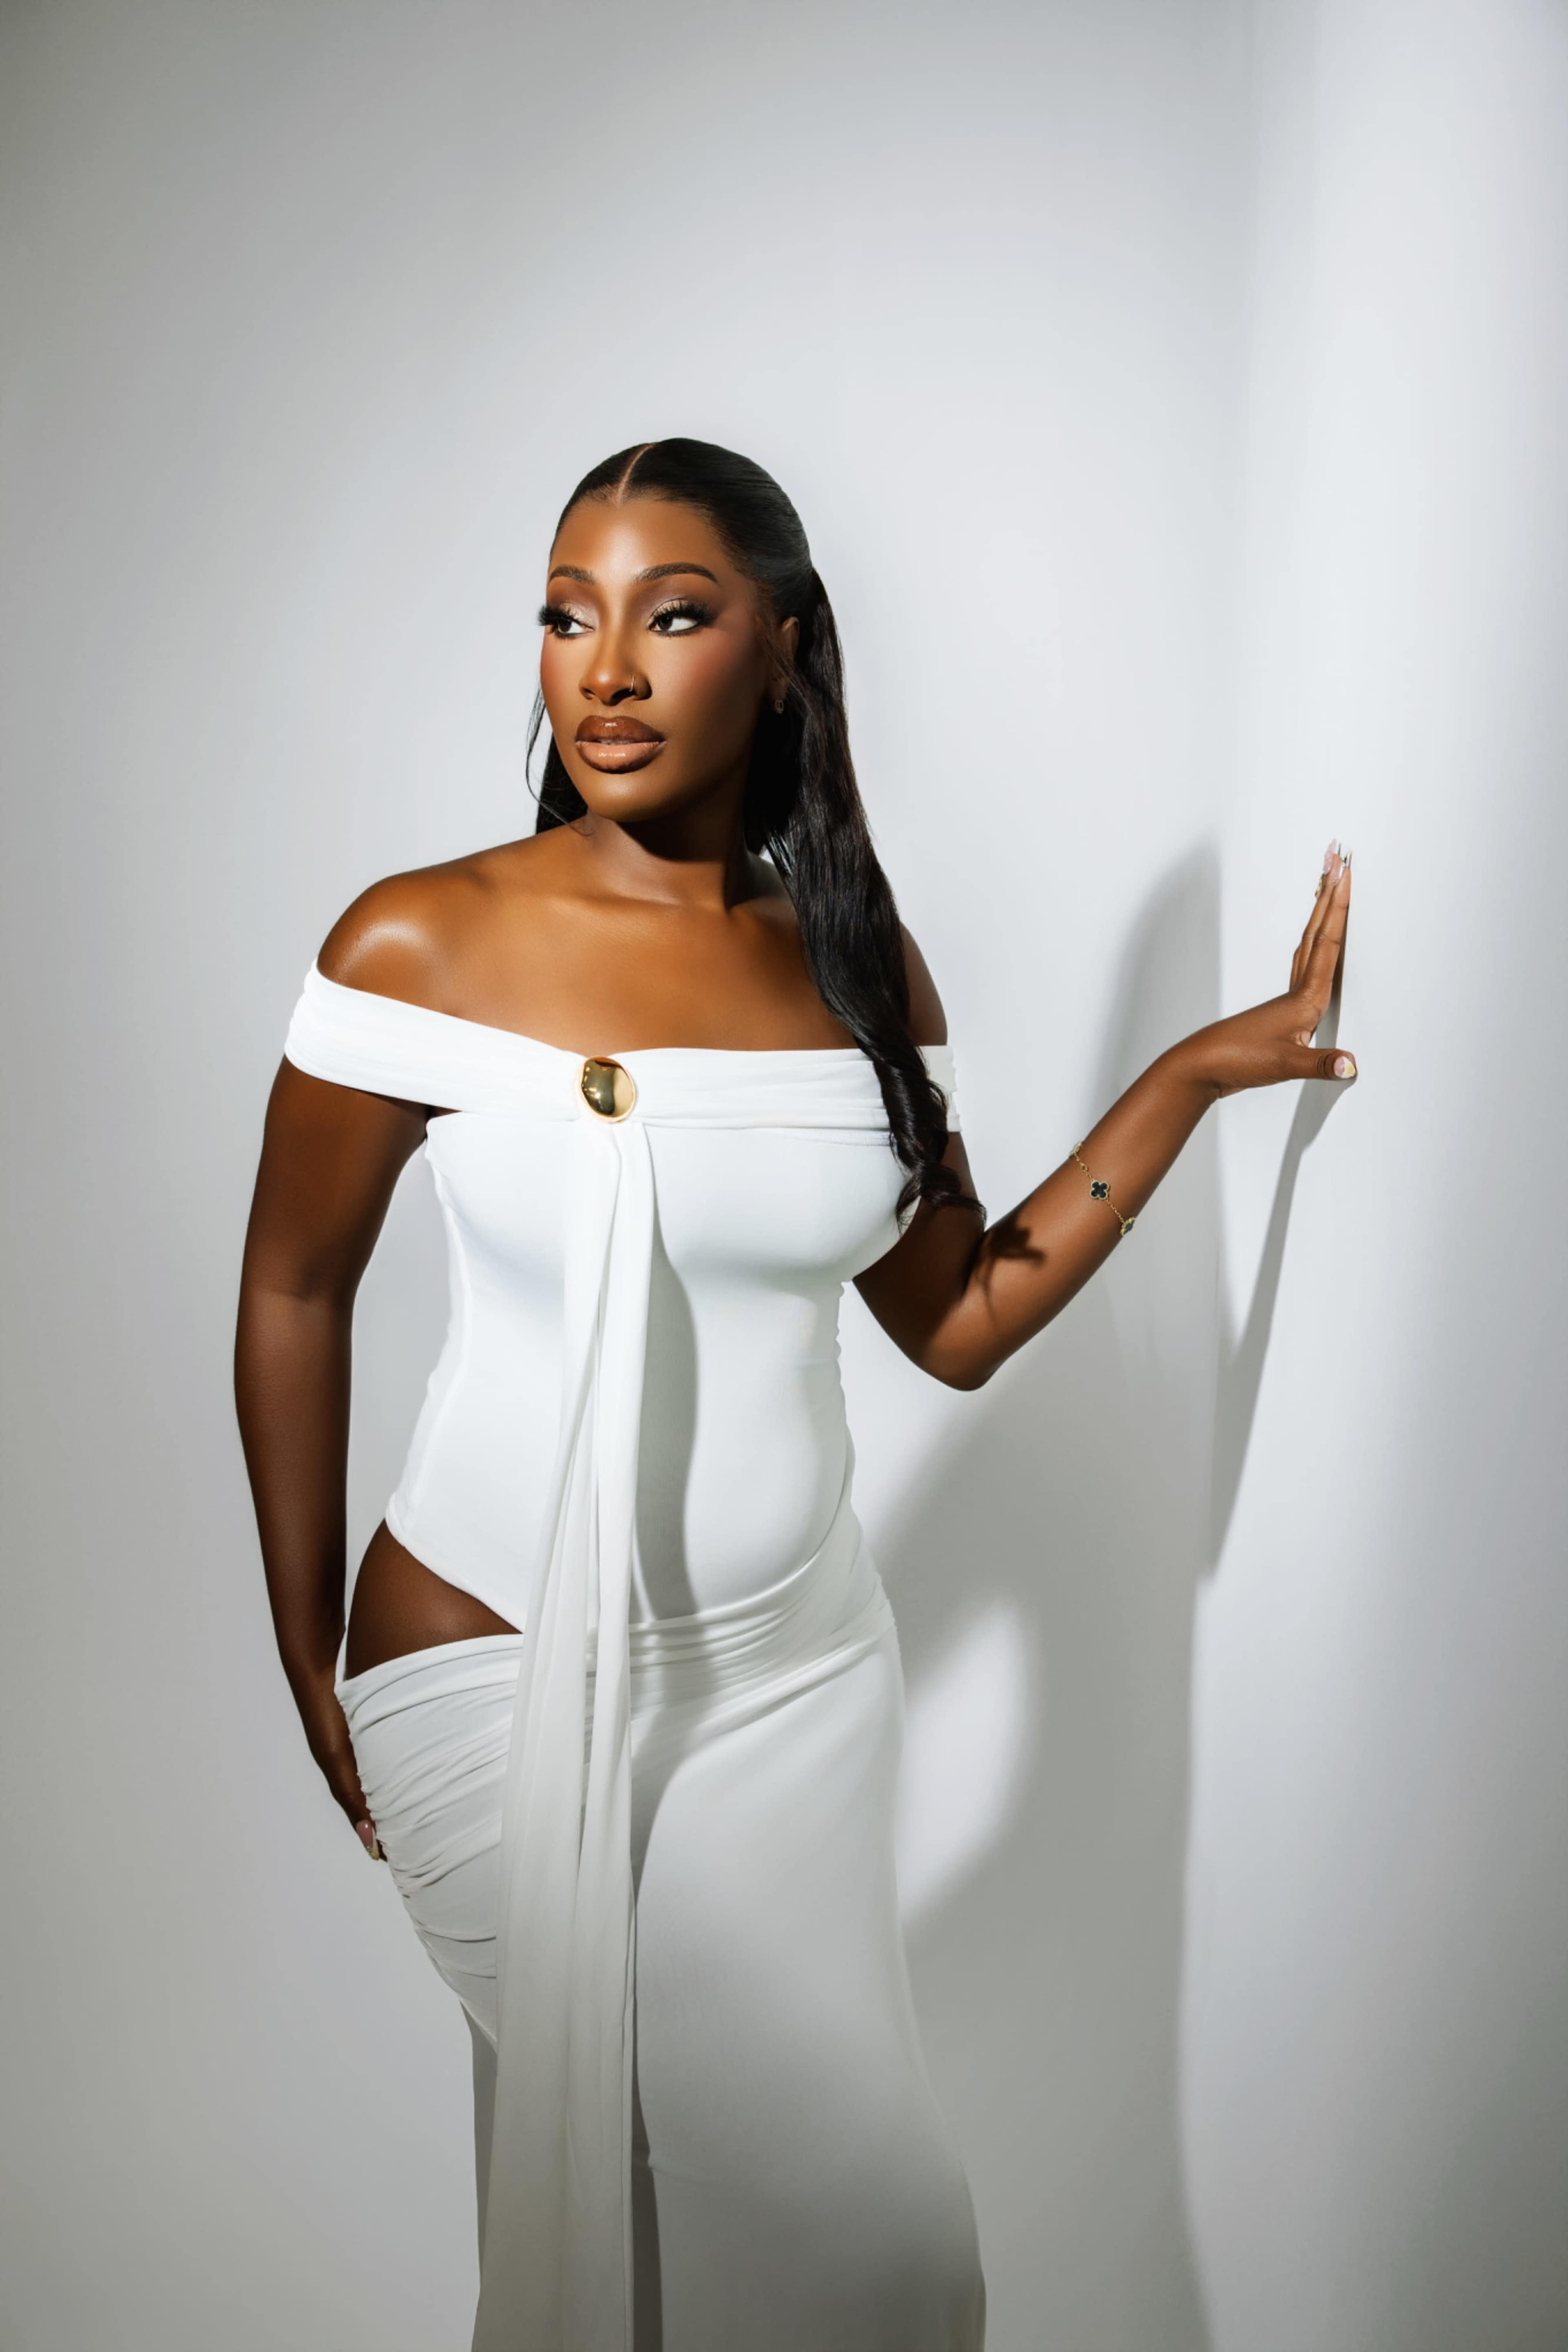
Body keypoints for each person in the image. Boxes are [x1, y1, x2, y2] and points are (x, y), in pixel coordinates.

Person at [234, 437, 1356, 2352]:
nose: (605, 671)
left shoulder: (857, 972)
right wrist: (303, 1646)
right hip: (490, 1684)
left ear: (782, 650)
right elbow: (292, 1282)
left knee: (669, 2255)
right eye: (567, 617)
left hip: (798, 1696)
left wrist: (1189, 1077)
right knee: (877, 2242)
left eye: (671, 616)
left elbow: (960, 1313)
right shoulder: (416, 943)